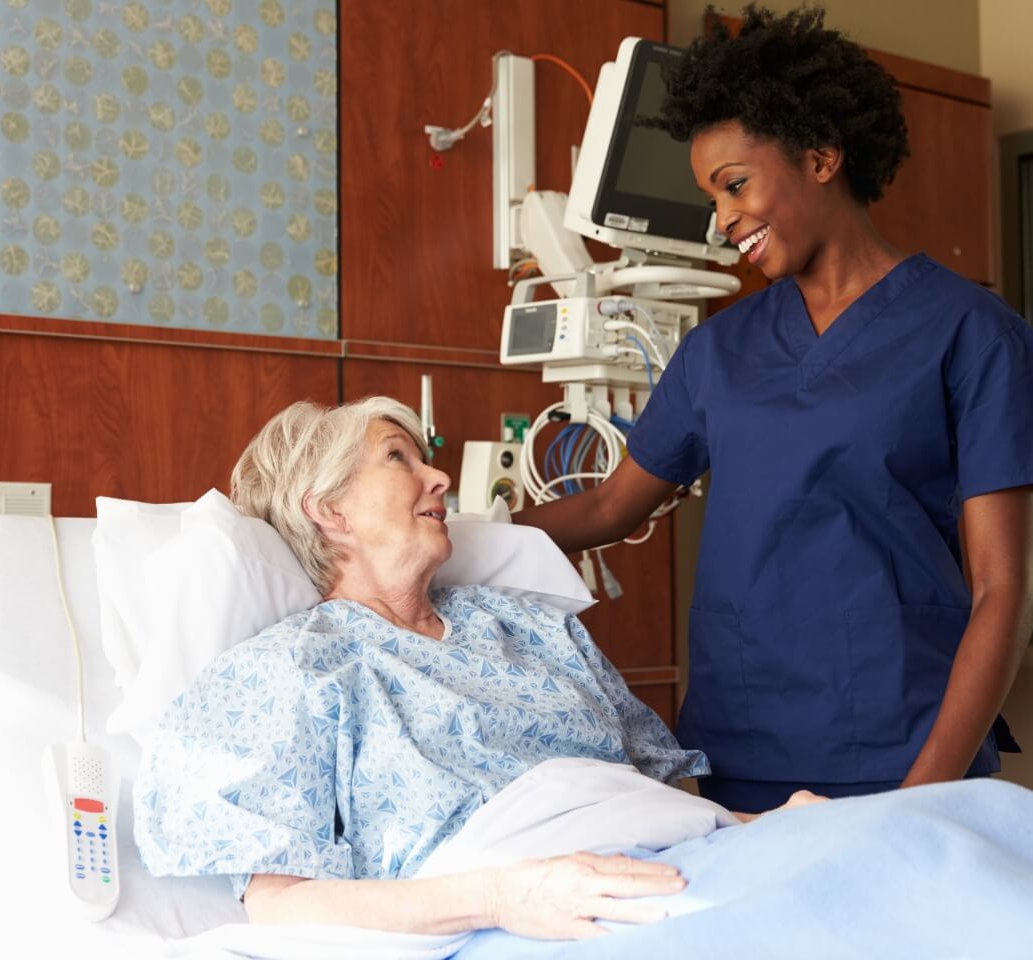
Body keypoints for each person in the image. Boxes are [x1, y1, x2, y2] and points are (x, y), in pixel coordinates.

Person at [514, 5, 1033, 813]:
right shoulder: (720, 351)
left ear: (822, 156)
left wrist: (918, 800)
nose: (723, 221)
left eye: (735, 186)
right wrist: (461, 536)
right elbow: (615, 506)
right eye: (712, 198)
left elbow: (1004, 590)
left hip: (907, 745)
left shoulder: (974, 334)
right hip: (746, 740)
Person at [133, 397, 816, 940]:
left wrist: (771, 826)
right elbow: (279, 907)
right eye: (399, 458)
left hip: (691, 858)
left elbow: (666, 794)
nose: (440, 478)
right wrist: (503, 897)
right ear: (329, 510)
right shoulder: (289, 669)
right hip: (524, 913)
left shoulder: (525, 625)